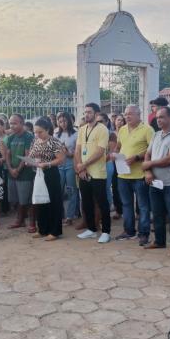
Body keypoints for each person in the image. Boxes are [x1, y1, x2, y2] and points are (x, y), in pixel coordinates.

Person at [142, 106, 170, 256]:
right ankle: (159, 241)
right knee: (157, 213)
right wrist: (148, 172)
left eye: (162, 117)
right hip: (154, 181)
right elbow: (147, 155)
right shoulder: (156, 135)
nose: (158, 120)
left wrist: (150, 164)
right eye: (157, 117)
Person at [114, 104, 154, 246]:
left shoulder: (148, 130)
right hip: (123, 174)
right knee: (126, 204)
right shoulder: (122, 130)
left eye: (130, 114)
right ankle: (129, 231)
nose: (127, 116)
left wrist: (137, 157)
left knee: (143, 205)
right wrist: (115, 154)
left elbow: (152, 150)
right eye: (125, 114)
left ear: (139, 114)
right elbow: (119, 146)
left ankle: (144, 233)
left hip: (140, 174)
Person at [75, 103, 111, 243]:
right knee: (86, 202)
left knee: (102, 202)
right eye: (85, 112)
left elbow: (100, 151)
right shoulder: (82, 129)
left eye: (89, 112)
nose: (86, 114)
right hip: (84, 172)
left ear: (96, 114)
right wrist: (81, 167)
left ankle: (106, 231)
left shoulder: (102, 129)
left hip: (97, 172)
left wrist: (84, 164)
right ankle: (91, 229)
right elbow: (78, 150)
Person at [28, 117, 65, 240]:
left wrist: (47, 164)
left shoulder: (54, 142)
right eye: (36, 132)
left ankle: (55, 231)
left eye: (40, 132)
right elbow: (31, 155)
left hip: (51, 174)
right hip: (38, 174)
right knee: (40, 200)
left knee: (53, 201)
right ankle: (42, 229)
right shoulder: (35, 141)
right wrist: (31, 161)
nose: (38, 134)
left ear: (48, 130)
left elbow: (61, 159)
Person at [5, 113, 36, 232]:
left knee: (27, 199)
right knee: (16, 199)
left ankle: (31, 222)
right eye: (10, 123)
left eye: (14, 123)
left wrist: (17, 169)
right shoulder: (11, 137)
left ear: (22, 123)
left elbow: (27, 155)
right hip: (12, 173)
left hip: (25, 174)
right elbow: (7, 154)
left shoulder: (28, 137)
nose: (12, 125)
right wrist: (10, 169)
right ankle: (20, 220)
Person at [56, 112, 78, 225]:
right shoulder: (56, 135)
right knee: (58, 190)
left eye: (65, 121)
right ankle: (60, 214)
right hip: (59, 165)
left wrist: (68, 153)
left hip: (70, 164)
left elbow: (77, 153)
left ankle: (70, 216)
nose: (63, 124)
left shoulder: (75, 134)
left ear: (69, 121)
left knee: (71, 190)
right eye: (60, 121)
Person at [111, 114, 126, 219]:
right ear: (114, 121)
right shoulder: (111, 134)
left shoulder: (126, 132)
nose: (120, 122)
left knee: (125, 187)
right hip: (113, 162)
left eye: (122, 120)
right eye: (118, 120)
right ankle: (118, 210)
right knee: (115, 187)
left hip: (124, 161)